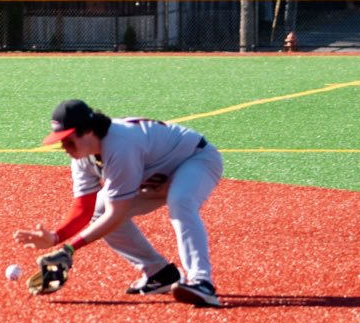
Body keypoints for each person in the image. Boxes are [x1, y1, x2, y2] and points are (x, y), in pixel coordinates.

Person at [13, 99, 225, 307]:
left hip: (196, 160)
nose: (64, 147)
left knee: (181, 201)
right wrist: (56, 237)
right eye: (61, 141)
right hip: (154, 178)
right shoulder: (83, 157)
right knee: (100, 209)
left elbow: (117, 213)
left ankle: (201, 282)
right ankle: (159, 273)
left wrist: (70, 249)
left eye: (69, 140)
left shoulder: (120, 144)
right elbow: (84, 209)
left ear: (88, 131)